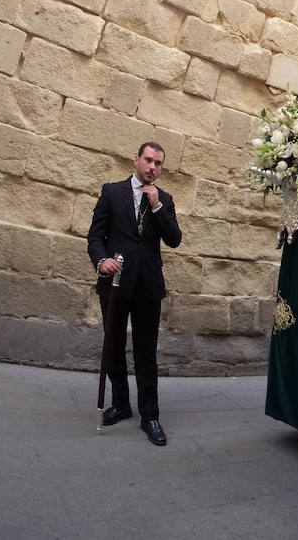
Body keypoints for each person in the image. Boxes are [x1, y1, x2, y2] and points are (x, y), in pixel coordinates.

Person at [87, 142, 183, 446]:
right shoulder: (112, 192)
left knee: (146, 352)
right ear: (136, 160)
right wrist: (102, 261)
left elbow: (174, 240)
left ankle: (150, 415)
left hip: (148, 286)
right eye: (148, 160)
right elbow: (95, 235)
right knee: (113, 346)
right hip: (115, 284)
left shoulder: (164, 199)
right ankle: (121, 403)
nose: (152, 167)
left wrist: (156, 207)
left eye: (158, 163)